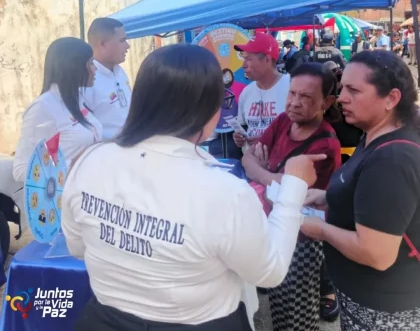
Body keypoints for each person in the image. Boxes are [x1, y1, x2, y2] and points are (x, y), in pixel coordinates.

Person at [62, 43, 325, 331]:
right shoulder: (225, 192)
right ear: (210, 110)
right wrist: (293, 188)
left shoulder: (89, 161)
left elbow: (77, 246)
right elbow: (269, 272)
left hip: (103, 320)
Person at [302, 50, 420, 330]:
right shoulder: (373, 135)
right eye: (342, 88)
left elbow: (376, 254)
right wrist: (327, 198)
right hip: (364, 298)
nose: (341, 98)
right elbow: (369, 197)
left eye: (353, 90)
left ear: (391, 98)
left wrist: (321, 230)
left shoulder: (392, 159)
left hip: (386, 311)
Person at [242, 63, 342, 331]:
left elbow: (290, 193)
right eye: (292, 93)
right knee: (277, 306)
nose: (295, 102)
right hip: (274, 226)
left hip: (302, 241)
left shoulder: (325, 144)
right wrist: (271, 176)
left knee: (296, 318)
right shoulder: (285, 121)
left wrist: (263, 172)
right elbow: (247, 159)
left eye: (306, 96)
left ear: (327, 102)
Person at [13, 38, 102, 182]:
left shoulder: (78, 99)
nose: (95, 69)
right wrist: (73, 165)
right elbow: (21, 170)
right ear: (74, 67)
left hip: (90, 188)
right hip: (65, 194)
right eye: (91, 63)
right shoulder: (43, 108)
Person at [232, 33, 290, 149]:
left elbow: (302, 131)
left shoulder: (292, 88)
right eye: (244, 58)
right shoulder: (246, 92)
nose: (244, 65)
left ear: (267, 59)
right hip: (251, 158)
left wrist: (268, 139)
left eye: (248, 59)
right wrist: (239, 137)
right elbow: (243, 125)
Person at [85, 17, 131, 140]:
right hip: (108, 149)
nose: (127, 46)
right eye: (122, 40)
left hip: (132, 143)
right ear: (103, 44)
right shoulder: (87, 80)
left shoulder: (120, 71)